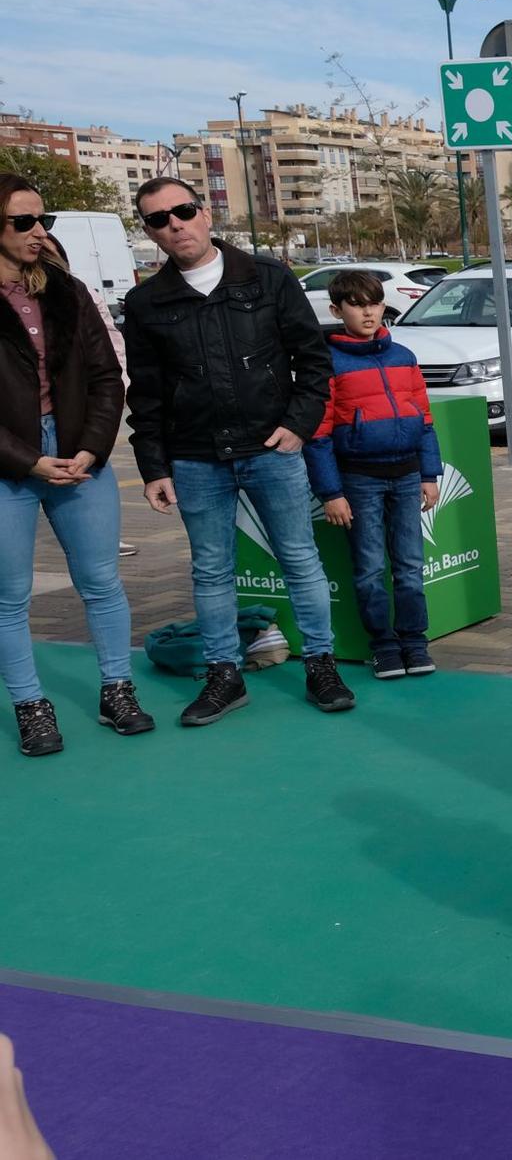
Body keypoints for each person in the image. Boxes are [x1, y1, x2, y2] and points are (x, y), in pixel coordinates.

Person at [122, 177, 352, 724]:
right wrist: (153, 465)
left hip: (271, 449)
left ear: (204, 213)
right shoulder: (146, 302)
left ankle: (321, 663)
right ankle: (224, 673)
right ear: (150, 233)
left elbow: (313, 362)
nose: (174, 224)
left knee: (300, 559)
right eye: (159, 219)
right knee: (211, 569)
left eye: (182, 210)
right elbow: (147, 392)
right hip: (195, 457)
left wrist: (298, 425)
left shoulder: (268, 279)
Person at [0, 174, 155, 754]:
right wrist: (31, 461)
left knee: (102, 583)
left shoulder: (69, 292)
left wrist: (90, 447)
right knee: (8, 597)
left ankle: (118, 689)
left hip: (78, 455)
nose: (38, 232)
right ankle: (31, 707)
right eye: (23, 223)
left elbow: (106, 378)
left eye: (44, 221)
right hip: (10, 462)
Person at [304, 269, 443, 681]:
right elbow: (319, 436)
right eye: (357, 304)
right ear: (336, 309)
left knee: (410, 564)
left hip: (406, 476)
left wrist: (429, 473)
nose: (368, 312)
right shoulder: (329, 363)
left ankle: (415, 642)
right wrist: (331, 491)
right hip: (358, 480)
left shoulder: (404, 357)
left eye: (374, 303)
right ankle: (383, 645)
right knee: (367, 567)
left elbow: (425, 420)